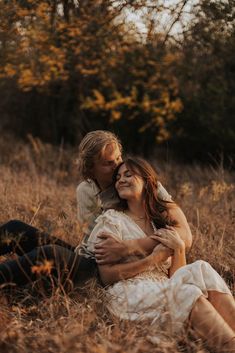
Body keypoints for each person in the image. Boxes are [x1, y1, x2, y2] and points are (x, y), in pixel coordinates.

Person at [0, 130, 191, 290]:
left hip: (113, 269)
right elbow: (93, 243)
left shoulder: (144, 184)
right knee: (14, 228)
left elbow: (185, 236)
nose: (118, 166)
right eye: (109, 163)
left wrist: (130, 247)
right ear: (91, 169)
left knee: (51, 253)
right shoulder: (85, 191)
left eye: (118, 158)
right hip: (92, 259)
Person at [86, 157, 235, 352]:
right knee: (188, 293)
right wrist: (152, 260)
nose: (120, 180)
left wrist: (179, 250)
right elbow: (106, 276)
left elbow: (175, 275)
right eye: (118, 177)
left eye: (128, 175)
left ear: (148, 182)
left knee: (202, 267)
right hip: (129, 292)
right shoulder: (112, 220)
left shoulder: (159, 223)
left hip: (163, 286)